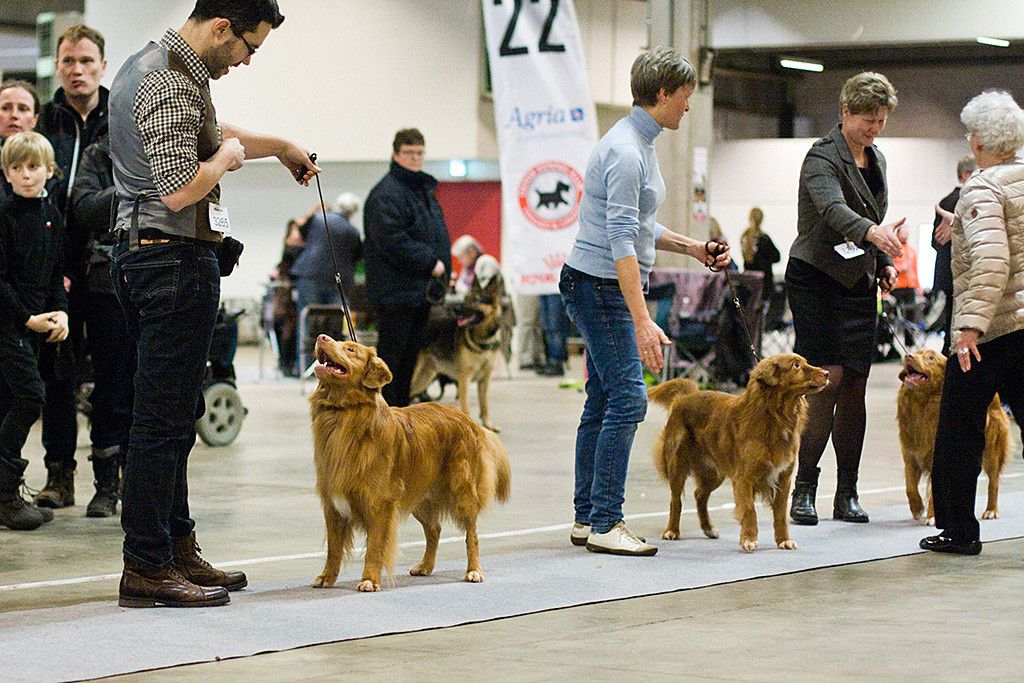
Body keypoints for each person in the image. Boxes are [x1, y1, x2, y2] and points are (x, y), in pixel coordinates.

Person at [108, 0, 318, 607]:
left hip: (155, 258)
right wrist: (225, 161)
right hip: (170, 261)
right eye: (249, 47)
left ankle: (175, 548)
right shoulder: (169, 79)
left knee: (176, 415)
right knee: (162, 422)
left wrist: (279, 146)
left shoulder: (159, 68)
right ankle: (146, 564)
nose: (247, 61)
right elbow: (180, 189)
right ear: (222, 27)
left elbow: (205, 136)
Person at [559, 47, 729, 557]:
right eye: (684, 97)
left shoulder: (640, 142)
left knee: (603, 399)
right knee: (630, 400)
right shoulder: (627, 151)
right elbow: (621, 242)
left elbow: (639, 224)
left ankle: (588, 517)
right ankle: (606, 522)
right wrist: (641, 320)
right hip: (600, 286)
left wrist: (693, 248)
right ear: (661, 93)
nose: (688, 107)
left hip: (596, 283)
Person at [786, 71, 903, 526]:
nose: (875, 128)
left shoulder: (878, 159)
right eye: (868, 119)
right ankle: (803, 489)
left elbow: (874, 216)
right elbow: (833, 211)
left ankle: (847, 492)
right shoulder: (821, 156)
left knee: (855, 385)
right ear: (845, 111)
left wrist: (884, 261)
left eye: (881, 120)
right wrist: (874, 234)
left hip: (858, 283)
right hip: (815, 278)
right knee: (825, 381)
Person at [921, 91, 1024, 556]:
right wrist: (961, 222)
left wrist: (970, 327)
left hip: (993, 331)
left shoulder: (981, 188)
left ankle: (958, 530)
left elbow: (992, 260)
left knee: (959, 429)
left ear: (980, 140)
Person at [32, 25, 111, 511]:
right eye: (68, 61)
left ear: (102, 65)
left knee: (111, 376)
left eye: (85, 61)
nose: (77, 70)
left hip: (108, 269)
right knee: (57, 377)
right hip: (53, 272)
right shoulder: (43, 121)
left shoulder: (121, 119)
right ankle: (59, 477)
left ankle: (108, 482)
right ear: (58, 66)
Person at [0, 132, 69, 530]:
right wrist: (27, 318)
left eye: (33, 167)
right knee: (30, 396)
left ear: (49, 170)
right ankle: (5, 496)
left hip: (34, 325)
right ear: (6, 173)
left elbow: (55, 274)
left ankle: (5, 496)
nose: (26, 175)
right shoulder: (3, 215)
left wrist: (60, 314)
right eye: (17, 168)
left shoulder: (52, 216)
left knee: (11, 398)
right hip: (9, 323)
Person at [364, 128, 451, 408]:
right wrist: (430, 262)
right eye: (409, 152)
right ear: (395, 154)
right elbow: (391, 239)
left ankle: (399, 415)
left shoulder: (421, 191)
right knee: (391, 362)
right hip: (396, 294)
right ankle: (385, 415)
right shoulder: (387, 194)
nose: (415, 158)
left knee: (408, 361)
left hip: (418, 292)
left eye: (419, 152)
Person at [70, 137, 134, 517]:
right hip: (105, 287)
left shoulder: (166, 144)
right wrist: (135, 187)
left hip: (158, 280)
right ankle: (106, 486)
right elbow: (85, 209)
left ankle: (140, 484)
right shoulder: (100, 153)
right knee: (110, 387)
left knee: (151, 391)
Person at [932, 156, 977, 357]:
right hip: (963, 274)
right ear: (966, 175)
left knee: (950, 322)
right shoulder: (969, 200)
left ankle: (948, 360)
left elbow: (935, 242)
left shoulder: (945, 201)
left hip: (946, 274)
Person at [292, 192, 362, 315]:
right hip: (336, 280)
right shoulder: (352, 231)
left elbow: (303, 234)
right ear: (353, 211)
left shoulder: (317, 218)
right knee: (334, 318)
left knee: (307, 316)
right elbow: (357, 256)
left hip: (309, 274)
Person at [270, 218, 304, 376]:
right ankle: (284, 363)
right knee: (286, 328)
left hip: (294, 291)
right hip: (287, 294)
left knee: (293, 328)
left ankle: (288, 363)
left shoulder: (301, 247)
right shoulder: (290, 247)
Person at [0, 81, 42, 199]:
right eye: (5, 108)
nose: (14, 115)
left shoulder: (45, 163)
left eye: (23, 109)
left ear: (34, 120)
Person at [740, 207, 780, 282]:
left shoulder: (744, 237)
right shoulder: (764, 239)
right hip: (764, 280)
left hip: (749, 279)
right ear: (761, 220)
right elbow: (777, 257)